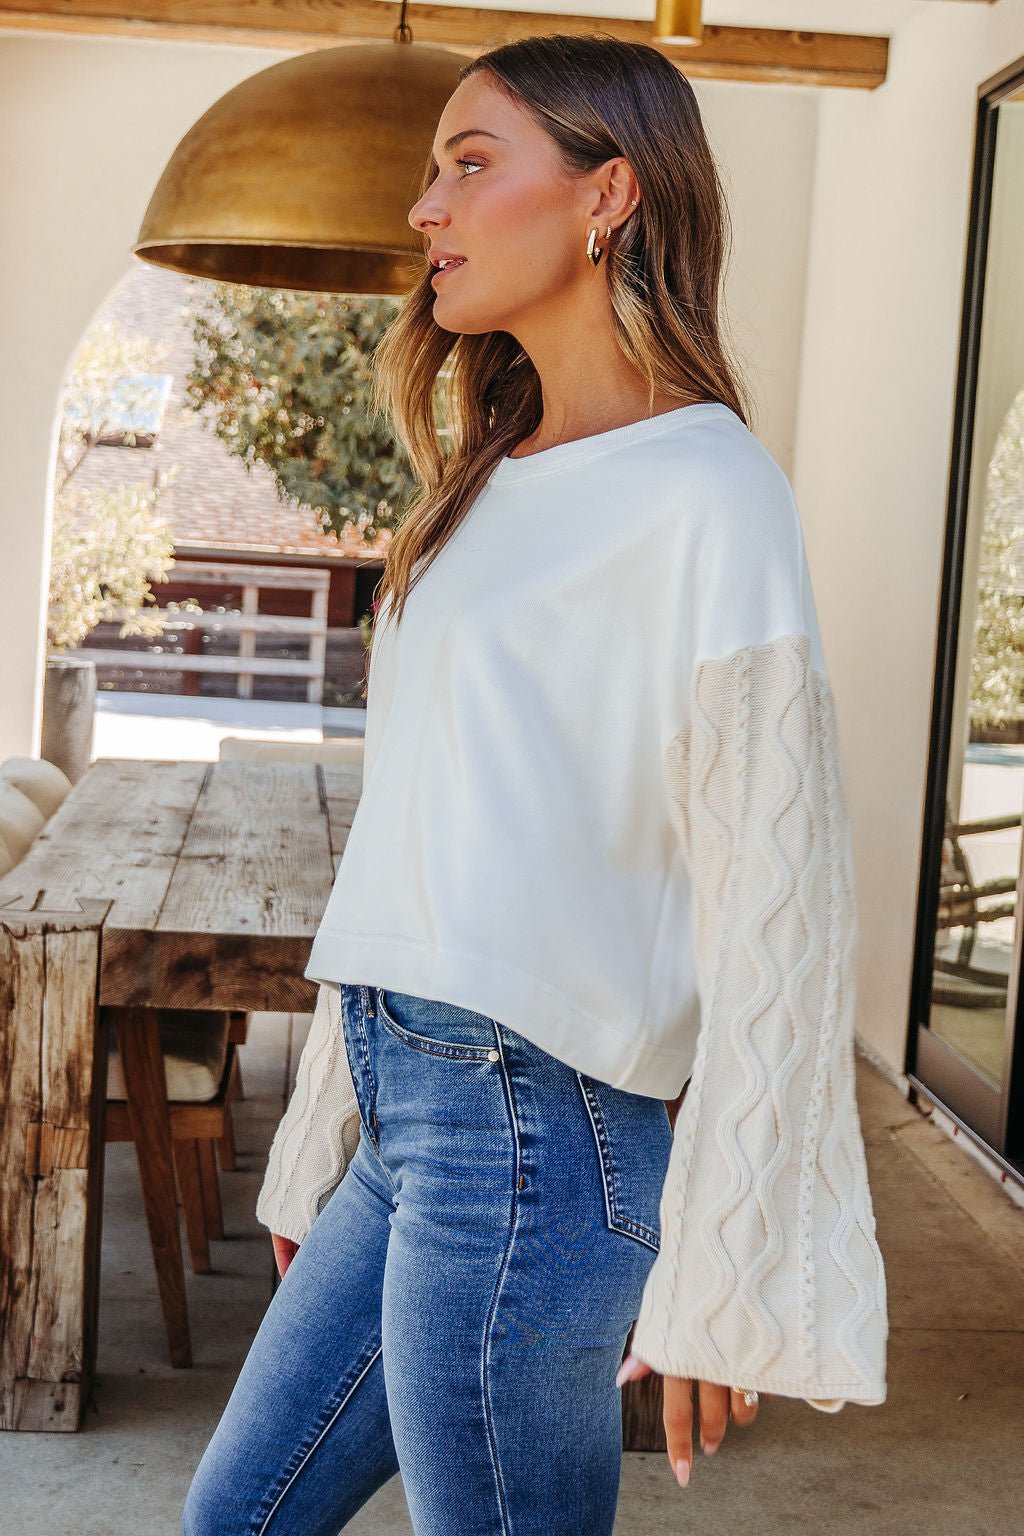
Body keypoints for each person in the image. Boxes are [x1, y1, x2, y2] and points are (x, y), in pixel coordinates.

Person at [181, 32, 887, 1536]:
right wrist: (324, 1137)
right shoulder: (485, 480)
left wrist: (729, 1261)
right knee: (232, 1521)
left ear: (607, 194)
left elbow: (782, 898)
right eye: (433, 172)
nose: (425, 208)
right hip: (408, 1096)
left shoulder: (710, 493)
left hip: (536, 1130)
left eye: (470, 163)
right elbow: (413, 824)